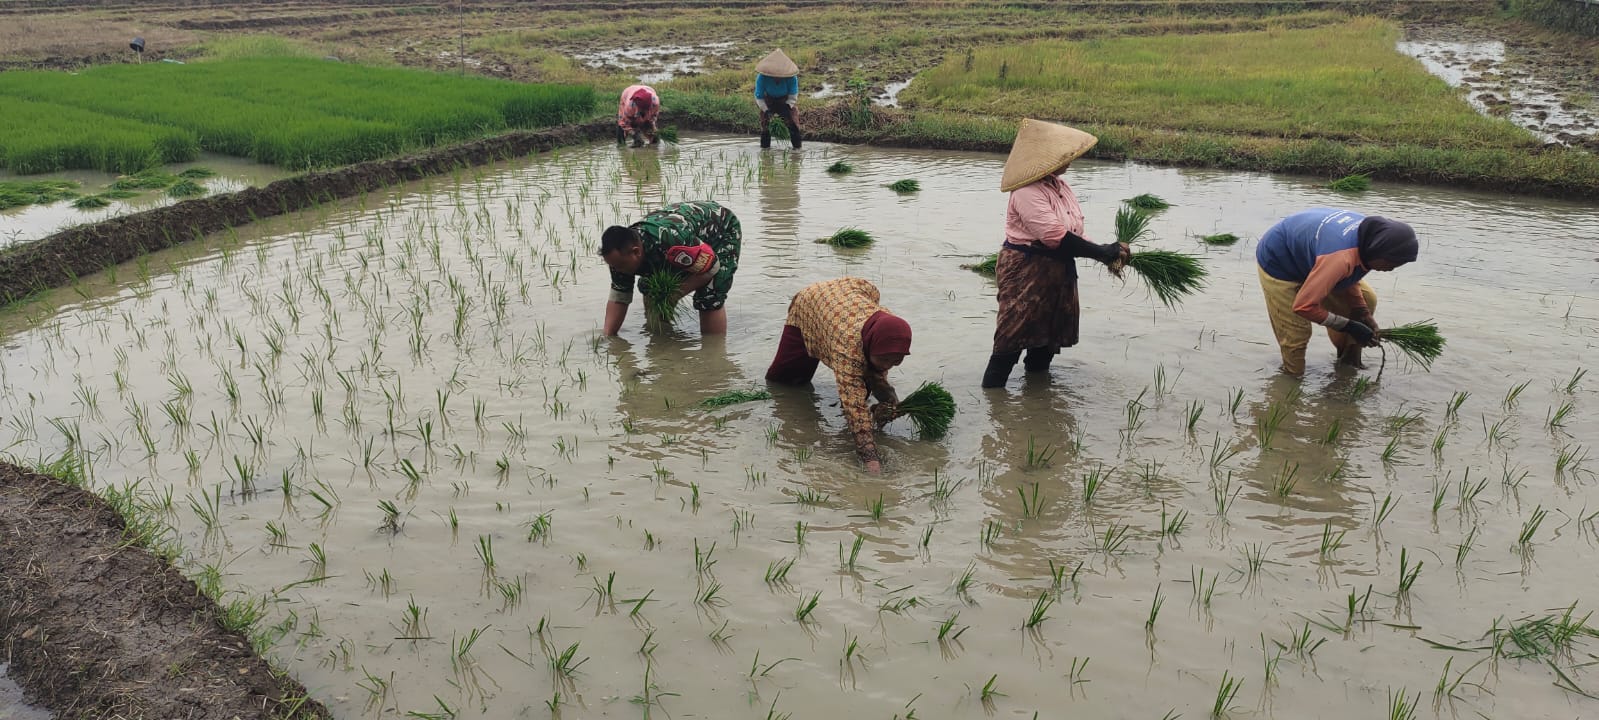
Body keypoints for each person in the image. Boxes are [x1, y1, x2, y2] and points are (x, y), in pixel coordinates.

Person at [981, 119, 1128, 389]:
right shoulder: (1025, 191)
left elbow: (1072, 231)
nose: (1068, 160)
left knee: (1048, 335)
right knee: (1012, 336)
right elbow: (1055, 237)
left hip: (1057, 269)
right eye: (1062, 156)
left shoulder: (1060, 186)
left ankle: (1037, 394)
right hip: (1027, 270)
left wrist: (1110, 250)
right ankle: (994, 398)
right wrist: (1102, 253)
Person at [765, 278, 912, 474]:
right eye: (884, 359)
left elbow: (877, 374)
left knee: (866, 379)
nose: (888, 365)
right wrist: (870, 457)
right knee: (786, 380)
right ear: (870, 345)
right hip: (812, 304)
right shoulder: (848, 348)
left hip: (849, 297)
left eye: (895, 361)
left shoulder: (890, 329)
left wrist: (889, 402)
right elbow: (855, 407)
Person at [1255, 207, 1418, 374]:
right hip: (1280, 261)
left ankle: (1347, 363)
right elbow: (1303, 307)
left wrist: (1362, 312)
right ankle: (1291, 379)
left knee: (1368, 300)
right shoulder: (1342, 256)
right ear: (1377, 250)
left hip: (1317, 257)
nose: (1391, 269)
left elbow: (1350, 275)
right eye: (1391, 263)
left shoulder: (1369, 238)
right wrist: (1349, 326)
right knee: (1297, 334)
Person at [600, 201, 741, 336]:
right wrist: (608, 337)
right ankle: (662, 342)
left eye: (620, 266)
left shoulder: (671, 240)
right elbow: (619, 296)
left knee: (709, 296)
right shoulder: (618, 258)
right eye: (613, 266)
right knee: (650, 287)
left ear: (636, 252)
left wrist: (673, 296)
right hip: (681, 240)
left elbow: (711, 266)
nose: (617, 271)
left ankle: (713, 354)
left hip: (721, 229)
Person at [754, 49, 802, 149]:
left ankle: (797, 151)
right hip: (768, 101)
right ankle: (765, 152)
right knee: (766, 127)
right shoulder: (762, 77)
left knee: (793, 125)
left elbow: (793, 95)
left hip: (785, 101)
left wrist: (787, 106)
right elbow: (759, 97)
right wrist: (766, 110)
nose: (777, 77)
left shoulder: (791, 78)